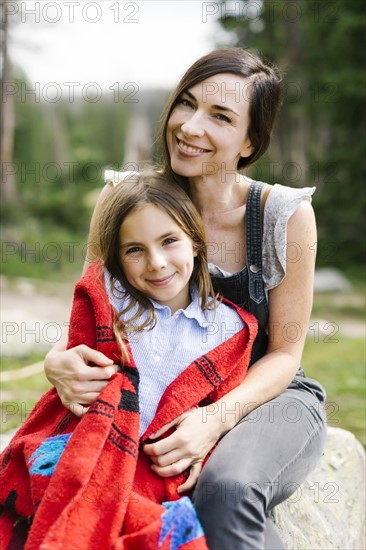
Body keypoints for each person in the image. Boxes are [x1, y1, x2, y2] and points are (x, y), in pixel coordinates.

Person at [44, 47, 327, 549]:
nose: (190, 127)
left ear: (250, 142)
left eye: (220, 116)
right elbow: (91, 314)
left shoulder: (285, 216)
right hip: (156, 399)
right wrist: (57, 362)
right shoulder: (123, 199)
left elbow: (285, 354)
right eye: (187, 104)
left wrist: (214, 421)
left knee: (227, 488)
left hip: (267, 398)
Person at [0, 171, 257, 549]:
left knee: (164, 527)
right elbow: (76, 362)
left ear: (196, 242)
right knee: (59, 494)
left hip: (157, 467)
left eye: (169, 241)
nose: (156, 263)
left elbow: (219, 407)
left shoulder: (227, 329)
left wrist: (207, 447)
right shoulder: (111, 302)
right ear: (118, 258)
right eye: (134, 249)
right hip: (92, 446)